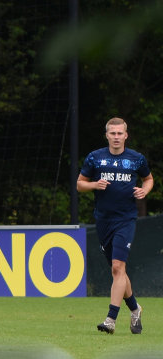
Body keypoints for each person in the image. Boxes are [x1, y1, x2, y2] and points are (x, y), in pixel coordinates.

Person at [77, 117, 153, 334]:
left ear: (126, 135)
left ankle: (111, 319)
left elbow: (148, 179)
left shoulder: (136, 159)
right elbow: (79, 184)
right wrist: (94, 184)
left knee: (118, 267)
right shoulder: (95, 158)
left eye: (120, 133)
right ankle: (135, 308)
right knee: (117, 271)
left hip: (126, 219)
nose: (117, 137)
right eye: (113, 133)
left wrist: (144, 190)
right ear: (107, 135)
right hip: (103, 220)